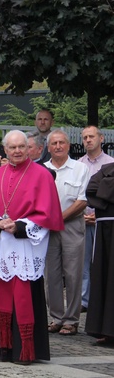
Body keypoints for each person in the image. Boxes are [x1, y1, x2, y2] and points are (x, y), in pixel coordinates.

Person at [0, 130, 64, 365]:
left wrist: (21, 226)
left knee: (25, 294)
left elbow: (48, 213)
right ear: (5, 150)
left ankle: (26, 350)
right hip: (2, 245)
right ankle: (1, 347)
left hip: (26, 246)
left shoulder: (42, 175)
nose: (17, 151)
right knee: (2, 292)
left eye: (22, 146)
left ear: (29, 148)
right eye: (12, 148)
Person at [44, 130, 90, 336]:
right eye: (53, 143)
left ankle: (71, 320)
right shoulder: (42, 169)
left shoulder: (80, 168)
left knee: (73, 274)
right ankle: (56, 317)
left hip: (72, 226)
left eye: (61, 142)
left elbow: (82, 201)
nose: (58, 146)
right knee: (51, 275)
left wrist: (59, 218)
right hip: (47, 229)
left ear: (69, 146)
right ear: (48, 147)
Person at [79, 126, 114, 314]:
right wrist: (83, 214)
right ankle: (85, 300)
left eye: (91, 136)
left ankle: (100, 298)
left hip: (104, 221)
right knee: (84, 263)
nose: (88, 140)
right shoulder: (79, 164)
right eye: (85, 137)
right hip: (83, 218)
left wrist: (97, 214)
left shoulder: (111, 163)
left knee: (102, 261)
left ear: (101, 138)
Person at [85, 161, 114, 344]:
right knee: (104, 278)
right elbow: (92, 189)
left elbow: (100, 191)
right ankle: (106, 330)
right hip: (105, 232)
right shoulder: (107, 169)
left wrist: (106, 189)